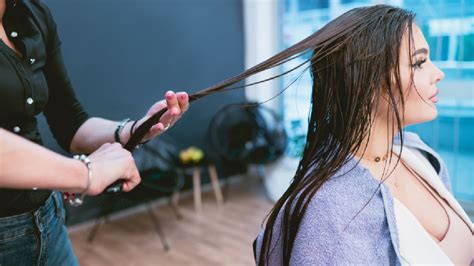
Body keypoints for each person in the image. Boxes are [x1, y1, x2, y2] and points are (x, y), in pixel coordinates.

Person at [254, 5, 473, 265]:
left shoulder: (421, 157)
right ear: (368, 82)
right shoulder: (329, 213)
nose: (438, 74)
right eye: (419, 62)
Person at [0, 0, 189, 264]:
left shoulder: (31, 14)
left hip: (48, 223)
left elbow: (71, 123)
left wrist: (135, 129)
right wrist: (86, 173)